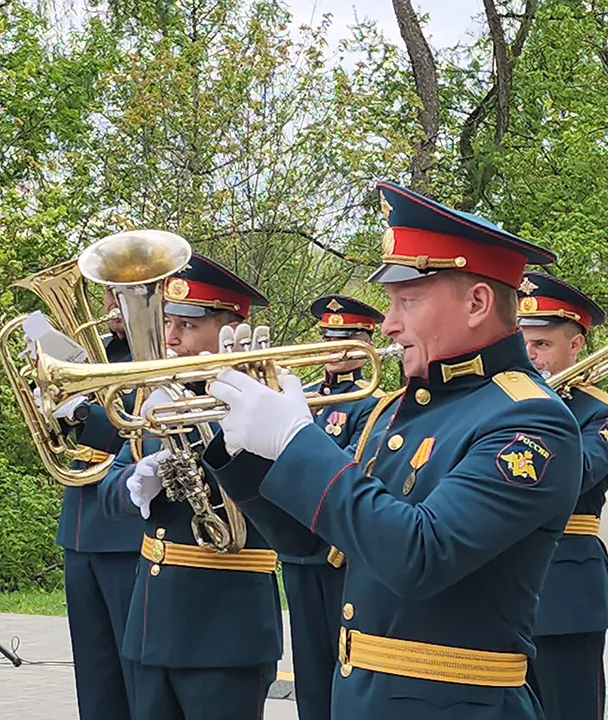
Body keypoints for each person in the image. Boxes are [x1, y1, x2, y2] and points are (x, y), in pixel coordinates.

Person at [202, 181, 583, 720]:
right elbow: (313, 545)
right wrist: (248, 451)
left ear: (477, 303)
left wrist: (296, 441)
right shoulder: (399, 410)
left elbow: (419, 555)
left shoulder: (531, 420)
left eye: (408, 300)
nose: (389, 324)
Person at [96, 252, 284, 720]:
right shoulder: (159, 397)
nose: (171, 338)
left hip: (225, 628)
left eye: (187, 325)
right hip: (151, 625)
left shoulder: (268, 403)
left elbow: (281, 507)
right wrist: (136, 484)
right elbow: (106, 494)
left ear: (229, 332)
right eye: (168, 322)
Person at [516, 272, 608, 720]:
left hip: (565, 592)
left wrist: (541, 411)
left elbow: (573, 475)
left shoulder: (604, 411)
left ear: (576, 345)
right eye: (523, 342)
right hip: (502, 587)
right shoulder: (501, 400)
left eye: (542, 344)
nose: (530, 354)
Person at [279, 294, 385, 720]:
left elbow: (349, 466)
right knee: (309, 669)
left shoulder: (372, 402)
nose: (334, 348)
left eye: (346, 339)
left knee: (346, 663)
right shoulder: (299, 396)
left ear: (366, 343)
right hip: (296, 547)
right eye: (327, 338)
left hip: (338, 552)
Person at [46, 287, 142, 720]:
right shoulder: (92, 352)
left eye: (125, 293)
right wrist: (50, 402)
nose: (112, 304)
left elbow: (138, 426)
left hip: (126, 529)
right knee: (94, 672)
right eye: (108, 293)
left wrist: (85, 412)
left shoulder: (158, 356)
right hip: (80, 526)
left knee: (134, 672)